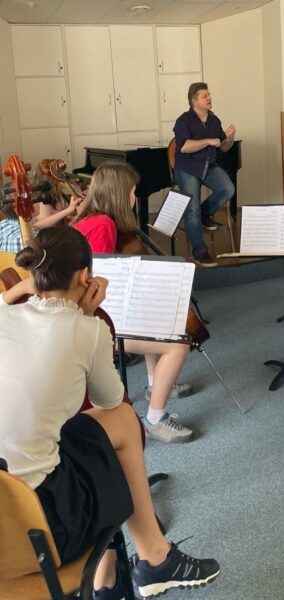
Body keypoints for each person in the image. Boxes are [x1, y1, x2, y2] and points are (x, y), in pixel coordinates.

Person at [0, 226, 220, 599]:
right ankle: (153, 558)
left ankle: (122, 572)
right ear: (85, 277)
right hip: (42, 531)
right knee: (121, 422)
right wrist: (86, 322)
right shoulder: (88, 331)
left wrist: (29, 295)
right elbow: (110, 399)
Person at [72, 161, 195, 443]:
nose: (133, 196)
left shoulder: (88, 219)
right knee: (179, 342)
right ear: (118, 193)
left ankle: (155, 385)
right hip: (93, 324)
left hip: (84, 316)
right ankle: (155, 418)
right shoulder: (103, 225)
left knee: (153, 319)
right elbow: (101, 283)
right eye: (131, 191)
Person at [173, 81, 236, 267]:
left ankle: (204, 214)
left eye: (209, 95)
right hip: (187, 168)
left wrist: (230, 138)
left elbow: (223, 147)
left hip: (208, 166)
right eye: (205, 96)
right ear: (194, 101)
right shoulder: (183, 121)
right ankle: (199, 251)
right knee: (192, 208)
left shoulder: (214, 120)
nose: (209, 98)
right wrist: (207, 141)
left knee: (228, 189)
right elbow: (184, 147)